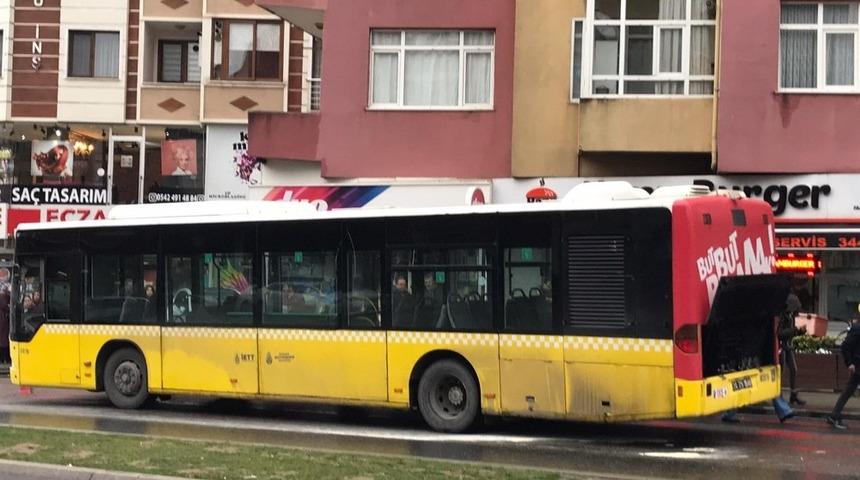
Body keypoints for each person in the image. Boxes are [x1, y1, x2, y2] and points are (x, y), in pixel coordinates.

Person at [827, 316, 860, 430]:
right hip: (858, 365)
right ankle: (834, 415)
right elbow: (845, 346)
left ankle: (834, 415)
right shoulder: (857, 328)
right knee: (848, 391)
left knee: (848, 391)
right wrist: (850, 363)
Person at [780, 294, 806, 406]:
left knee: (793, 370)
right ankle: (778, 395)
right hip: (781, 347)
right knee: (780, 372)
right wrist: (794, 330)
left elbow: (790, 332)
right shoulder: (782, 316)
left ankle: (793, 395)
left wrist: (799, 331)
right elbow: (780, 334)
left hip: (788, 346)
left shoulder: (790, 316)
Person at [0, 288, 9, 364]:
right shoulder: (3, 296)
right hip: (3, 325)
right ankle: (4, 359)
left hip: (3, 326)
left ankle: (3, 359)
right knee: (4, 343)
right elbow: (5, 306)